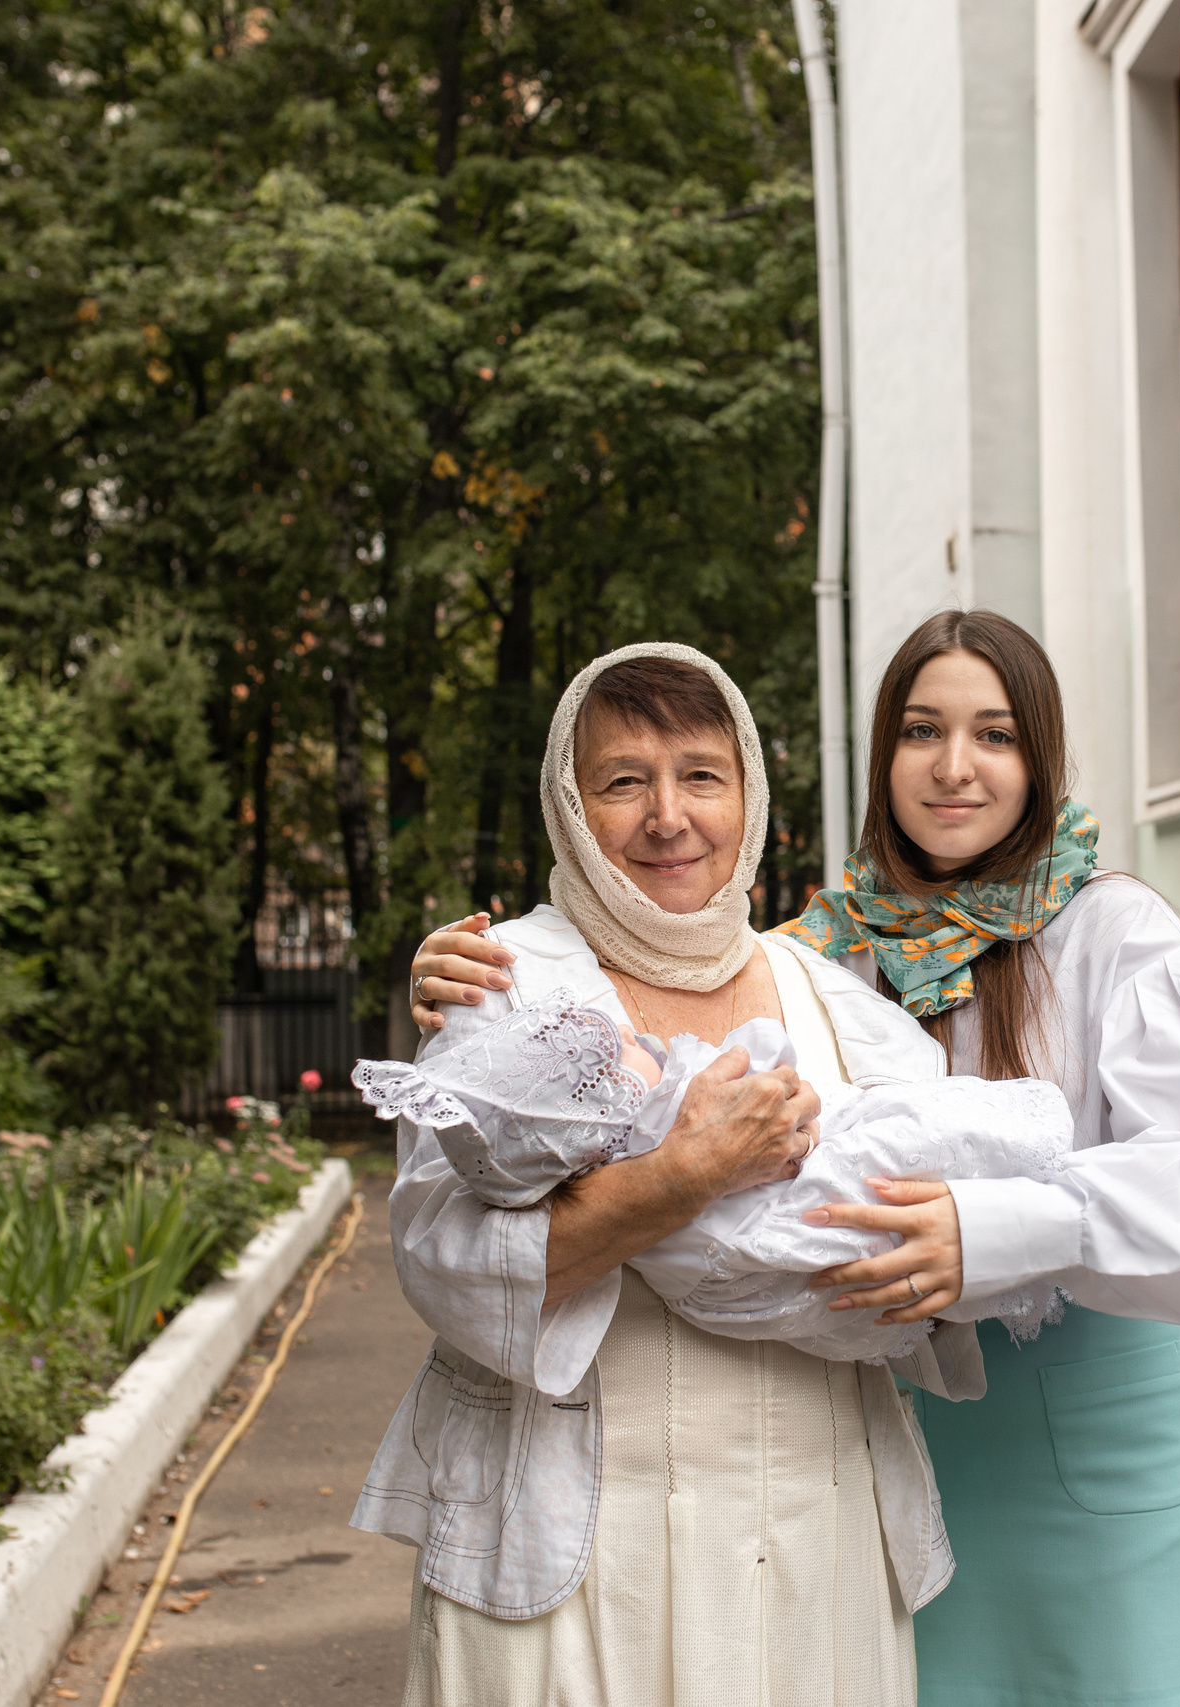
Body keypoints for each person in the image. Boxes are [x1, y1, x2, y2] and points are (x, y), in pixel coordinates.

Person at [413, 609, 1180, 1707]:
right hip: (921, 1423)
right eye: (921, 731)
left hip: (1097, 1403)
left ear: (1041, 758)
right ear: (881, 759)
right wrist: (466, 1006)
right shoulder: (830, 953)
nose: (954, 767)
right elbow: (635, 1021)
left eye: (996, 736)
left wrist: (991, 1231)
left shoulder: (1112, 931)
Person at [356, 642, 989, 1707]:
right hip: (573, 1565)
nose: (667, 816)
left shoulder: (836, 1005)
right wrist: (684, 1175)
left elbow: (936, 1251)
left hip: (809, 1545)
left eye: (702, 773)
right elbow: (442, 1264)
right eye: (622, 781)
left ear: (749, 795)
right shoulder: (502, 986)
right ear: (569, 802)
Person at [350, 988, 1074, 1362]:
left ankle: (1012, 1154)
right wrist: (698, 1164)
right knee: (877, 1174)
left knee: (895, 1153)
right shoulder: (644, 1105)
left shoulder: (808, 962)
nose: (638, 1038)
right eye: (624, 780)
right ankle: (1018, 1139)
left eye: (702, 774)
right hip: (780, 1240)